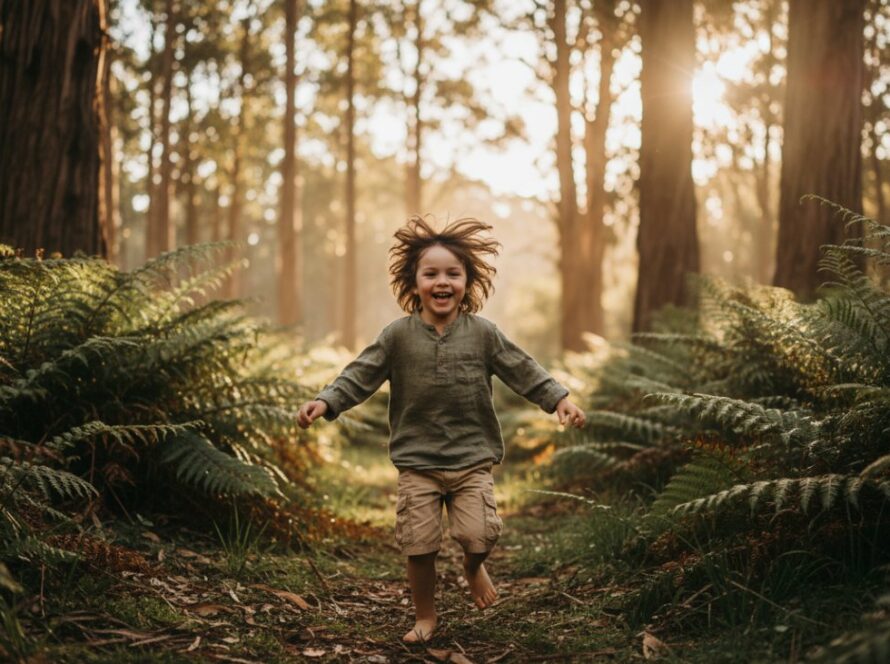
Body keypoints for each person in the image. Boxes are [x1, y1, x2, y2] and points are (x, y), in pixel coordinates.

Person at [297, 216, 586, 643]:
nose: (442, 281)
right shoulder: (397, 336)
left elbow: (522, 369)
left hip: (472, 459)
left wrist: (559, 398)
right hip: (417, 462)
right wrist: (326, 401)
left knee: (478, 534)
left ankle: (473, 567)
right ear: (414, 283)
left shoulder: (483, 333)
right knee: (419, 546)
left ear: (468, 281)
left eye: (453, 273)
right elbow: (360, 373)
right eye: (430, 273)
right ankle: (426, 615)